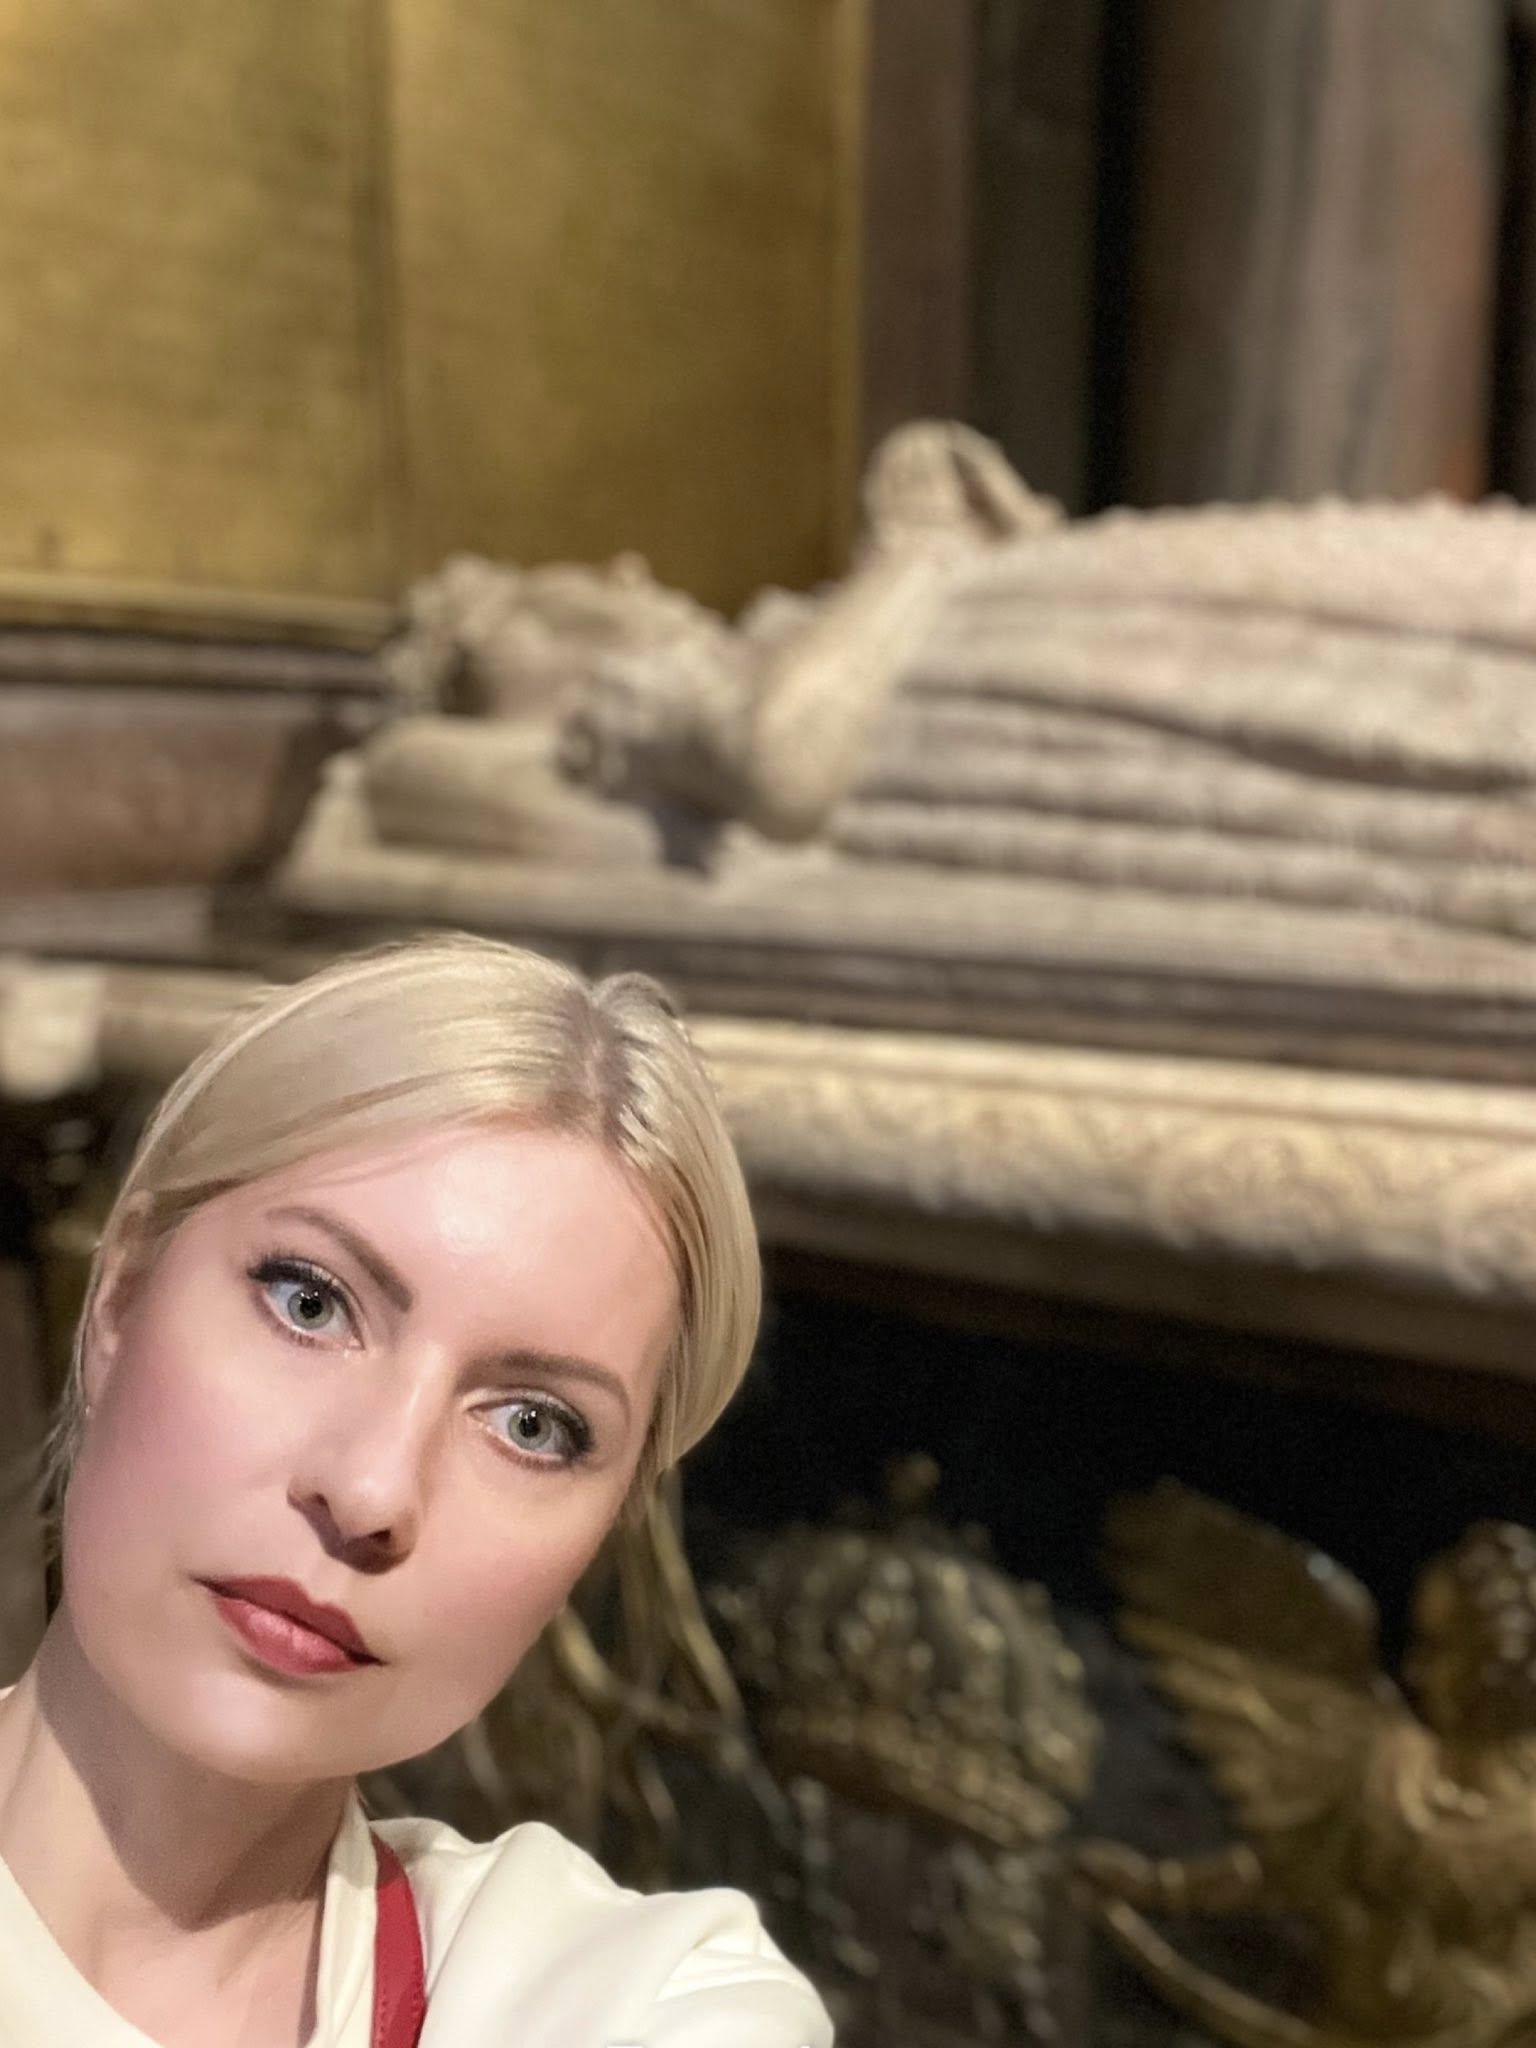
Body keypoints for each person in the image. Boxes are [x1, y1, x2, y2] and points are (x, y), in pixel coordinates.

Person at [0, 934, 833, 2047]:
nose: (371, 1491)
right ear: (118, 1296)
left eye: (532, 1425)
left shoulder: (626, 2001)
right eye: (309, 1301)